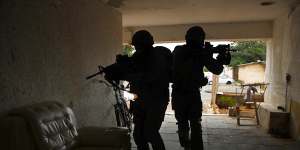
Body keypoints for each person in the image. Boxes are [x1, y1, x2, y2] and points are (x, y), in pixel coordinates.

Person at [104, 30, 172, 150]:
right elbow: (132, 70)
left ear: (146, 44)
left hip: (156, 100)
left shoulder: (158, 57)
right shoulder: (138, 56)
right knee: (138, 136)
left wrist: (124, 74)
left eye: (138, 45)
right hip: (141, 100)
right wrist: (117, 71)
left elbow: (148, 77)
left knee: (151, 133)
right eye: (136, 46)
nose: (137, 48)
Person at [171, 26, 231, 150]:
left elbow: (216, 69)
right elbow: (217, 69)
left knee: (188, 125)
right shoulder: (182, 51)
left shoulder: (183, 51)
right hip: (187, 94)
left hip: (183, 94)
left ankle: (187, 146)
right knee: (192, 125)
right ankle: (188, 145)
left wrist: (215, 57)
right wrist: (212, 56)